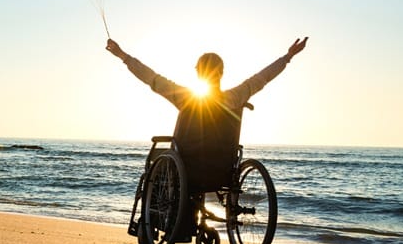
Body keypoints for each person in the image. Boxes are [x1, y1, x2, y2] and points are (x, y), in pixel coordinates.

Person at [106, 37, 308, 191]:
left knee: (158, 162)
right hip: (221, 170)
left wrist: (122, 55)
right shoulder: (235, 97)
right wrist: (288, 57)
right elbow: (262, 78)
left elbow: (151, 78)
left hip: (186, 169)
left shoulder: (185, 98)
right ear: (221, 73)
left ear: (198, 73)